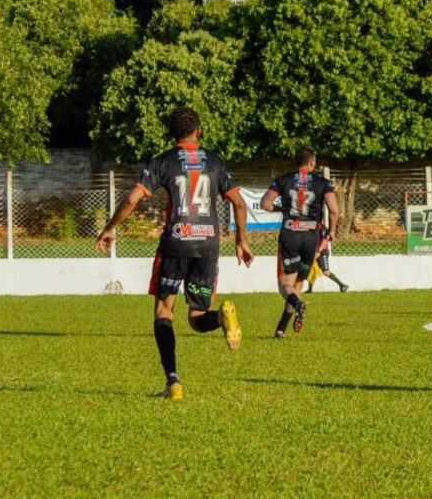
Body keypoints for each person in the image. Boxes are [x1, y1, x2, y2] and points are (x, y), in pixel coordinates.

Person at [96, 107, 253, 400]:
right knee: (197, 317)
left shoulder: (163, 161)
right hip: (207, 245)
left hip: (176, 243)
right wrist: (241, 239)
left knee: (163, 312)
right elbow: (240, 203)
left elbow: (132, 199)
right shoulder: (215, 162)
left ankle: (173, 382)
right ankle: (221, 318)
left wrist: (110, 227)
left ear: (172, 134)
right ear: (199, 131)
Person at [261, 148, 339, 338]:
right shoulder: (323, 182)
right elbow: (334, 210)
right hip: (311, 237)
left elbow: (265, 204)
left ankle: (298, 304)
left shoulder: (283, 180)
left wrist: (280, 209)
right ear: (312, 163)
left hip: (290, 235)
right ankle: (281, 329)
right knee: (297, 284)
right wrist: (331, 232)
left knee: (285, 285)